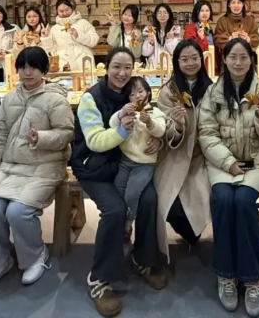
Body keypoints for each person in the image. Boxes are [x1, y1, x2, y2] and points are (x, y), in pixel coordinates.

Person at [71, 47, 167, 317]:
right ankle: (98, 278)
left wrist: (156, 139)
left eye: (127, 68)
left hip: (124, 164)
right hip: (94, 166)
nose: (122, 73)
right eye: (116, 66)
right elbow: (95, 141)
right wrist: (123, 130)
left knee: (149, 198)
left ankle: (142, 258)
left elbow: (151, 124)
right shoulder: (90, 98)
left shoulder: (132, 93)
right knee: (115, 209)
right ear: (106, 67)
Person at [0, 47, 75, 295]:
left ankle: (35, 256)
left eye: (33, 67)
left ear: (44, 70)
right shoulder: (10, 99)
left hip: (46, 165)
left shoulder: (56, 99)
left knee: (18, 212)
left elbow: (66, 134)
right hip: (10, 166)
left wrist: (40, 138)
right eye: (23, 67)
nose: (27, 72)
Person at [198, 38, 259, 317]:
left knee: (244, 202)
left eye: (243, 57)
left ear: (251, 61)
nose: (238, 62)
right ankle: (225, 274)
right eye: (233, 57)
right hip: (223, 164)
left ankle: (252, 277)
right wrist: (228, 162)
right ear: (224, 60)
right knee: (223, 200)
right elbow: (206, 134)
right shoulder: (213, 93)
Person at [154, 40, 212, 261]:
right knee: (168, 204)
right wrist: (177, 127)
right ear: (176, 62)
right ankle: (189, 234)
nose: (190, 63)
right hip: (175, 156)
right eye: (184, 59)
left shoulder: (212, 89)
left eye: (194, 58)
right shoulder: (168, 92)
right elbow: (163, 129)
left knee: (206, 198)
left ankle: (194, 233)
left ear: (201, 60)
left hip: (203, 156)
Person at [110, 77, 166, 244]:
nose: (137, 96)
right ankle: (117, 227)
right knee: (118, 192)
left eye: (140, 91)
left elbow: (161, 131)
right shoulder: (127, 112)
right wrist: (121, 114)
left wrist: (149, 122)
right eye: (132, 94)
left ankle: (127, 225)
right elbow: (111, 124)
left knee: (132, 193)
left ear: (148, 92)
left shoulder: (155, 113)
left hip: (145, 164)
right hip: (125, 160)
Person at [41, 0, 99, 71]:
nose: (65, 13)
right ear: (57, 12)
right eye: (61, 11)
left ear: (72, 9)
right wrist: (46, 37)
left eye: (67, 10)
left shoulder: (83, 23)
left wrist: (78, 36)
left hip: (83, 59)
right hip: (64, 61)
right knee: (65, 78)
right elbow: (51, 50)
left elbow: (94, 40)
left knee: (86, 77)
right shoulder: (54, 28)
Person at [142, 3, 181, 69]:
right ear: (155, 15)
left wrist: (169, 40)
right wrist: (151, 43)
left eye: (165, 13)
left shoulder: (175, 30)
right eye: (159, 13)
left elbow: (176, 52)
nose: (162, 15)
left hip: (169, 68)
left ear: (169, 14)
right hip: (153, 68)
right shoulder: (150, 30)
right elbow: (145, 53)